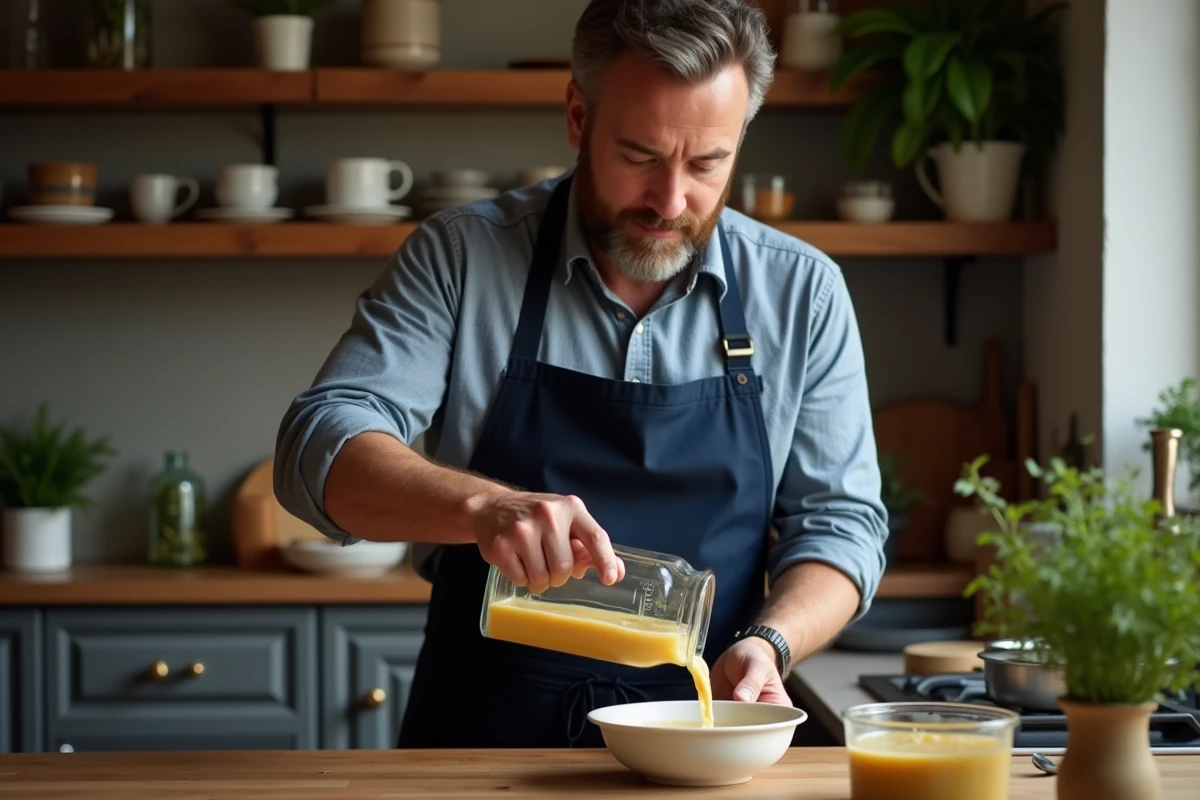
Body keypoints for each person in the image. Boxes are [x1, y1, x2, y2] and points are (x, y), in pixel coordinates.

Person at [274, 0, 887, 749]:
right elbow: (318, 447)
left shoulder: (802, 293)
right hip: (482, 735)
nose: (670, 202)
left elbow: (842, 526)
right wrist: (481, 508)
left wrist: (773, 642)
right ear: (576, 116)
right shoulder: (461, 259)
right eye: (640, 156)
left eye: (706, 164)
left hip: (705, 732)